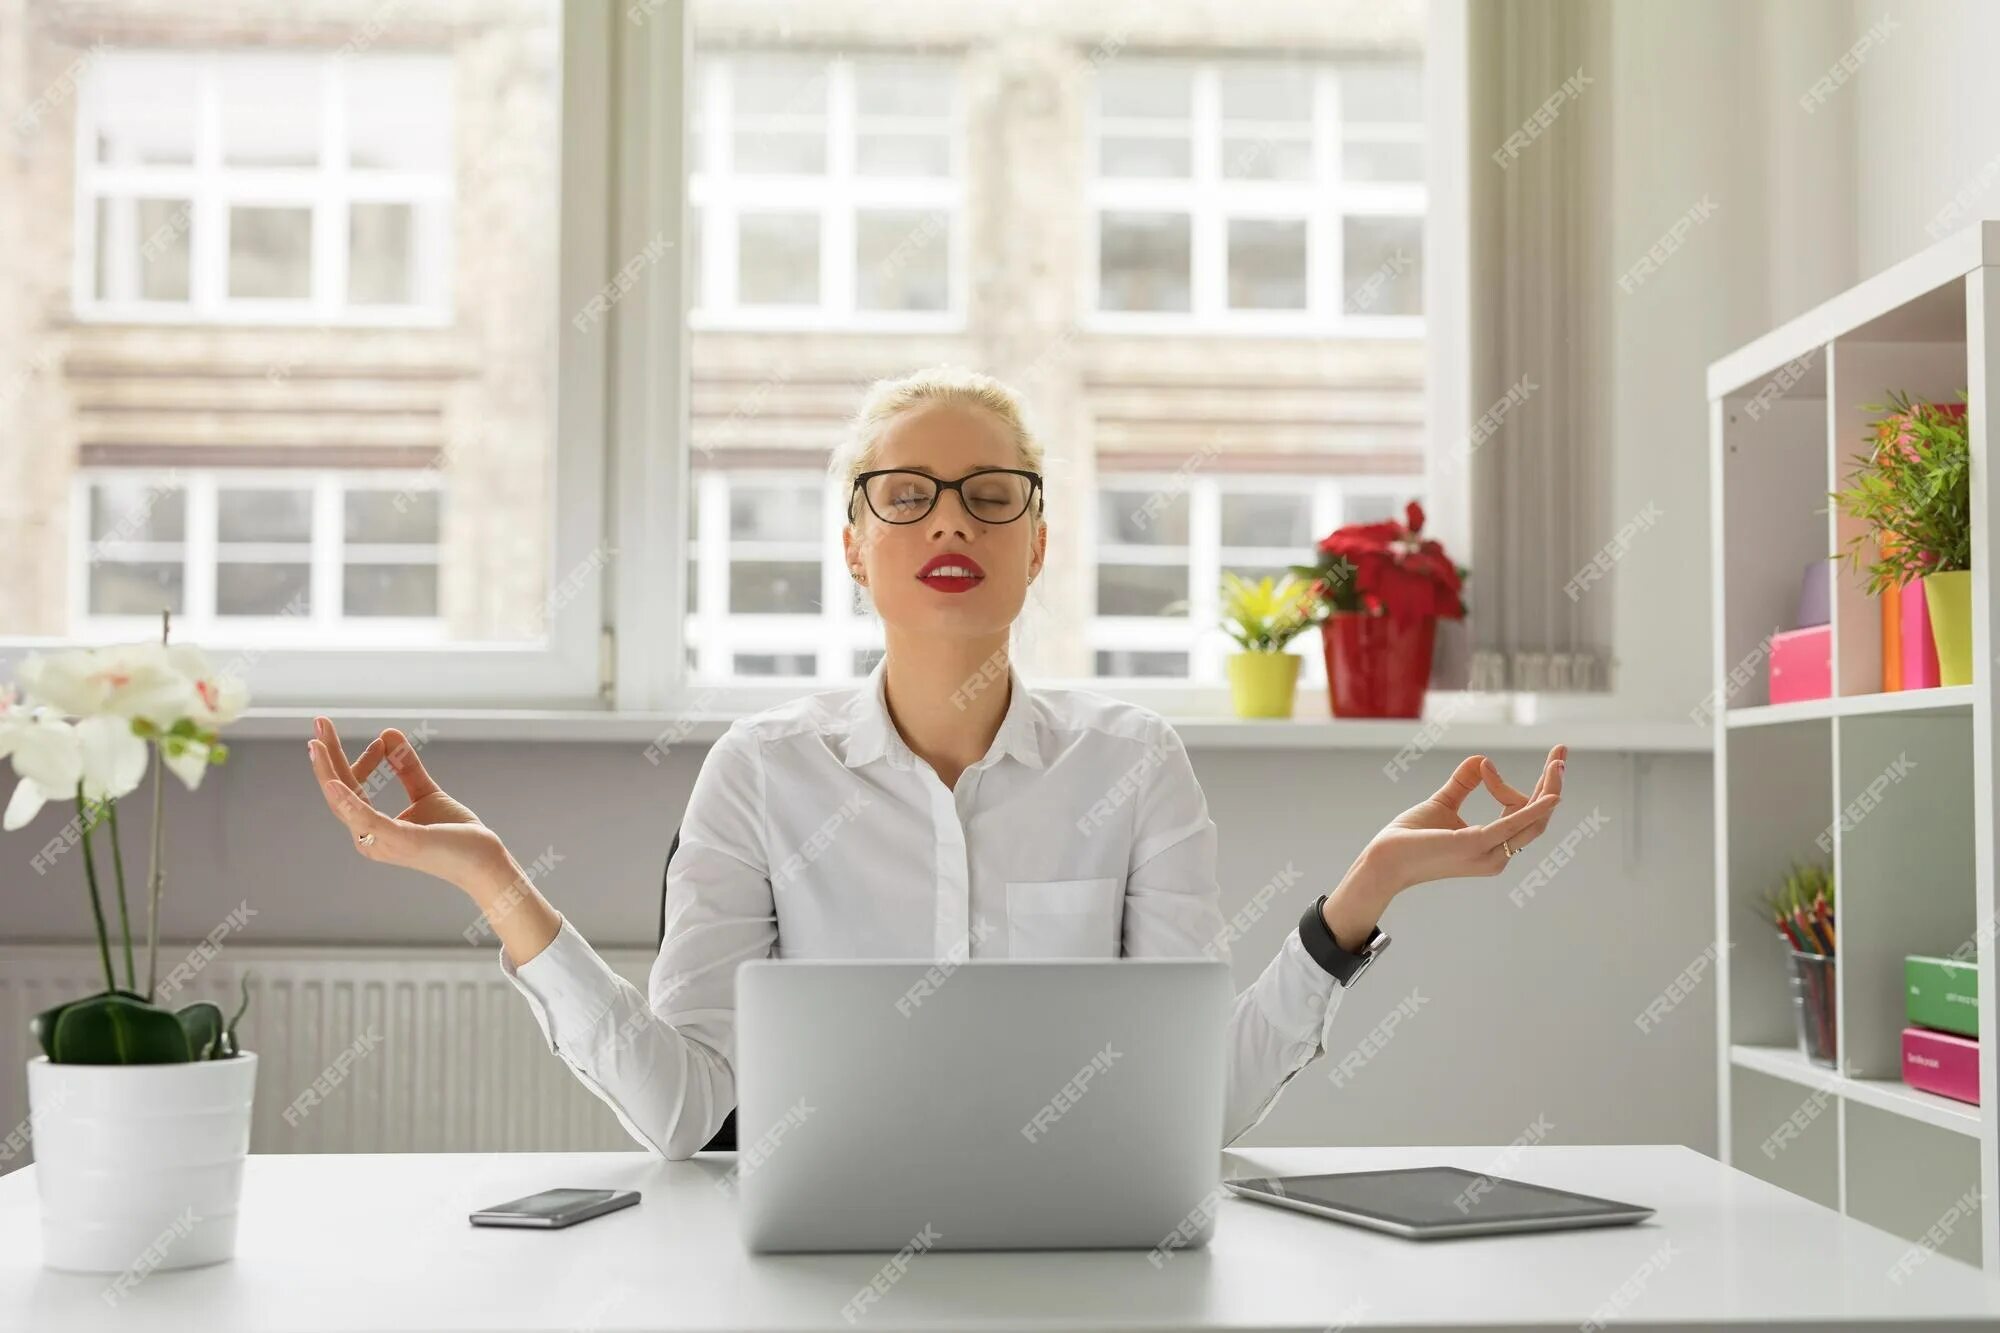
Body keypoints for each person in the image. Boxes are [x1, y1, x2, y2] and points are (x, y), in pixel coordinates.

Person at [306, 365, 1565, 1160]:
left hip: (1088, 1275)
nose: (950, 518)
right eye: (902, 494)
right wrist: (497, 887)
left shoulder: (1134, 763)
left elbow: (1197, 1112)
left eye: (988, 494)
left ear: (1037, 546)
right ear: (853, 548)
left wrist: (1358, 903)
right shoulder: (759, 773)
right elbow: (688, 1113)